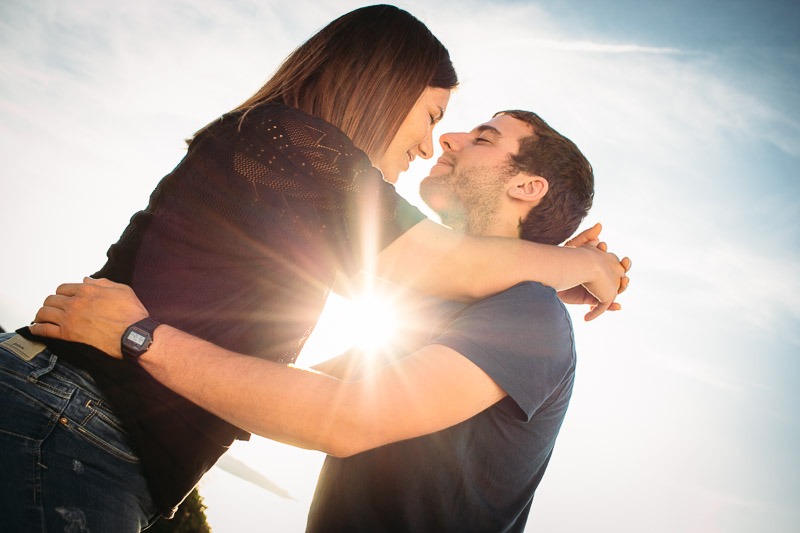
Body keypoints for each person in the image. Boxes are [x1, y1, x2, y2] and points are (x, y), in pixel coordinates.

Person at [1, 5, 626, 531]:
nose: (439, 141)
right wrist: (573, 264)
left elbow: (309, 399)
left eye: (474, 134)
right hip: (74, 425)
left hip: (81, 431)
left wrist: (548, 282)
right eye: (434, 117)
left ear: (529, 186)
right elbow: (439, 267)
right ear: (381, 86)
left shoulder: (511, 312)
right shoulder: (292, 143)